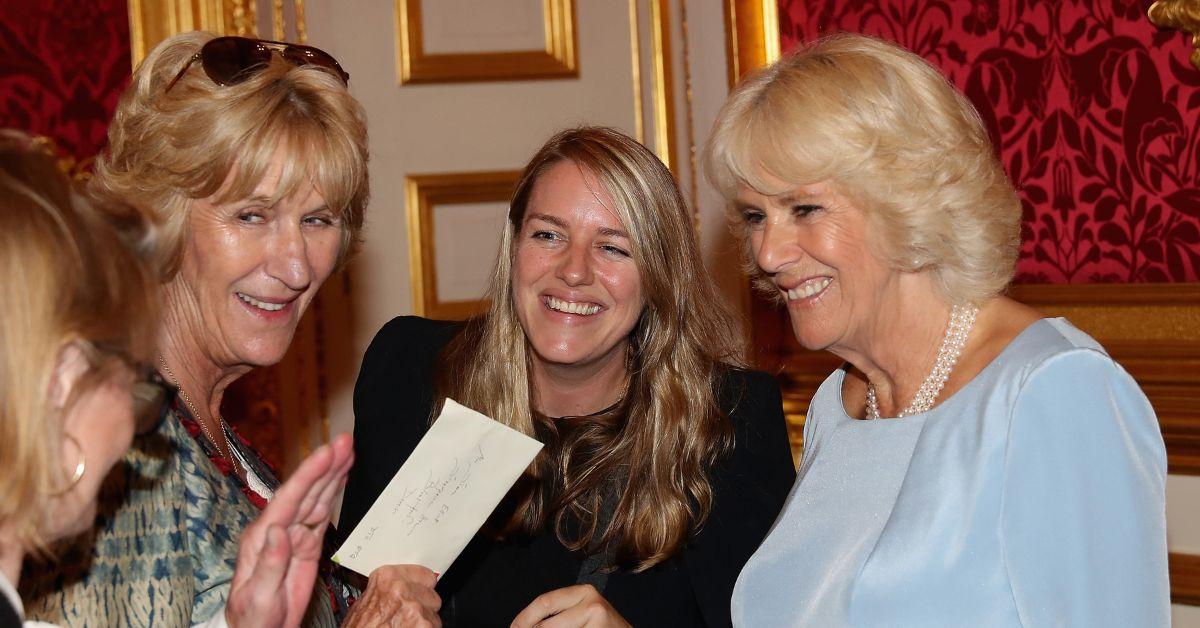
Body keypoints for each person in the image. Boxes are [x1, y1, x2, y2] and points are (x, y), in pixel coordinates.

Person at [705, 33, 1170, 626]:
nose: (767, 253)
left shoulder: (1051, 392)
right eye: (754, 216)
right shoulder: (843, 404)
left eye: (804, 209)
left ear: (906, 201)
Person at [337, 127, 796, 627]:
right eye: (549, 235)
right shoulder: (412, 371)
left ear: (659, 274)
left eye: (613, 248)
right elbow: (347, 597)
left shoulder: (730, 420)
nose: (574, 271)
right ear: (514, 247)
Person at [20, 31, 368, 626]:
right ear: (162, 217)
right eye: (251, 215)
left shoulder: (207, 432)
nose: (296, 266)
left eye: (317, 220)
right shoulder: (123, 460)